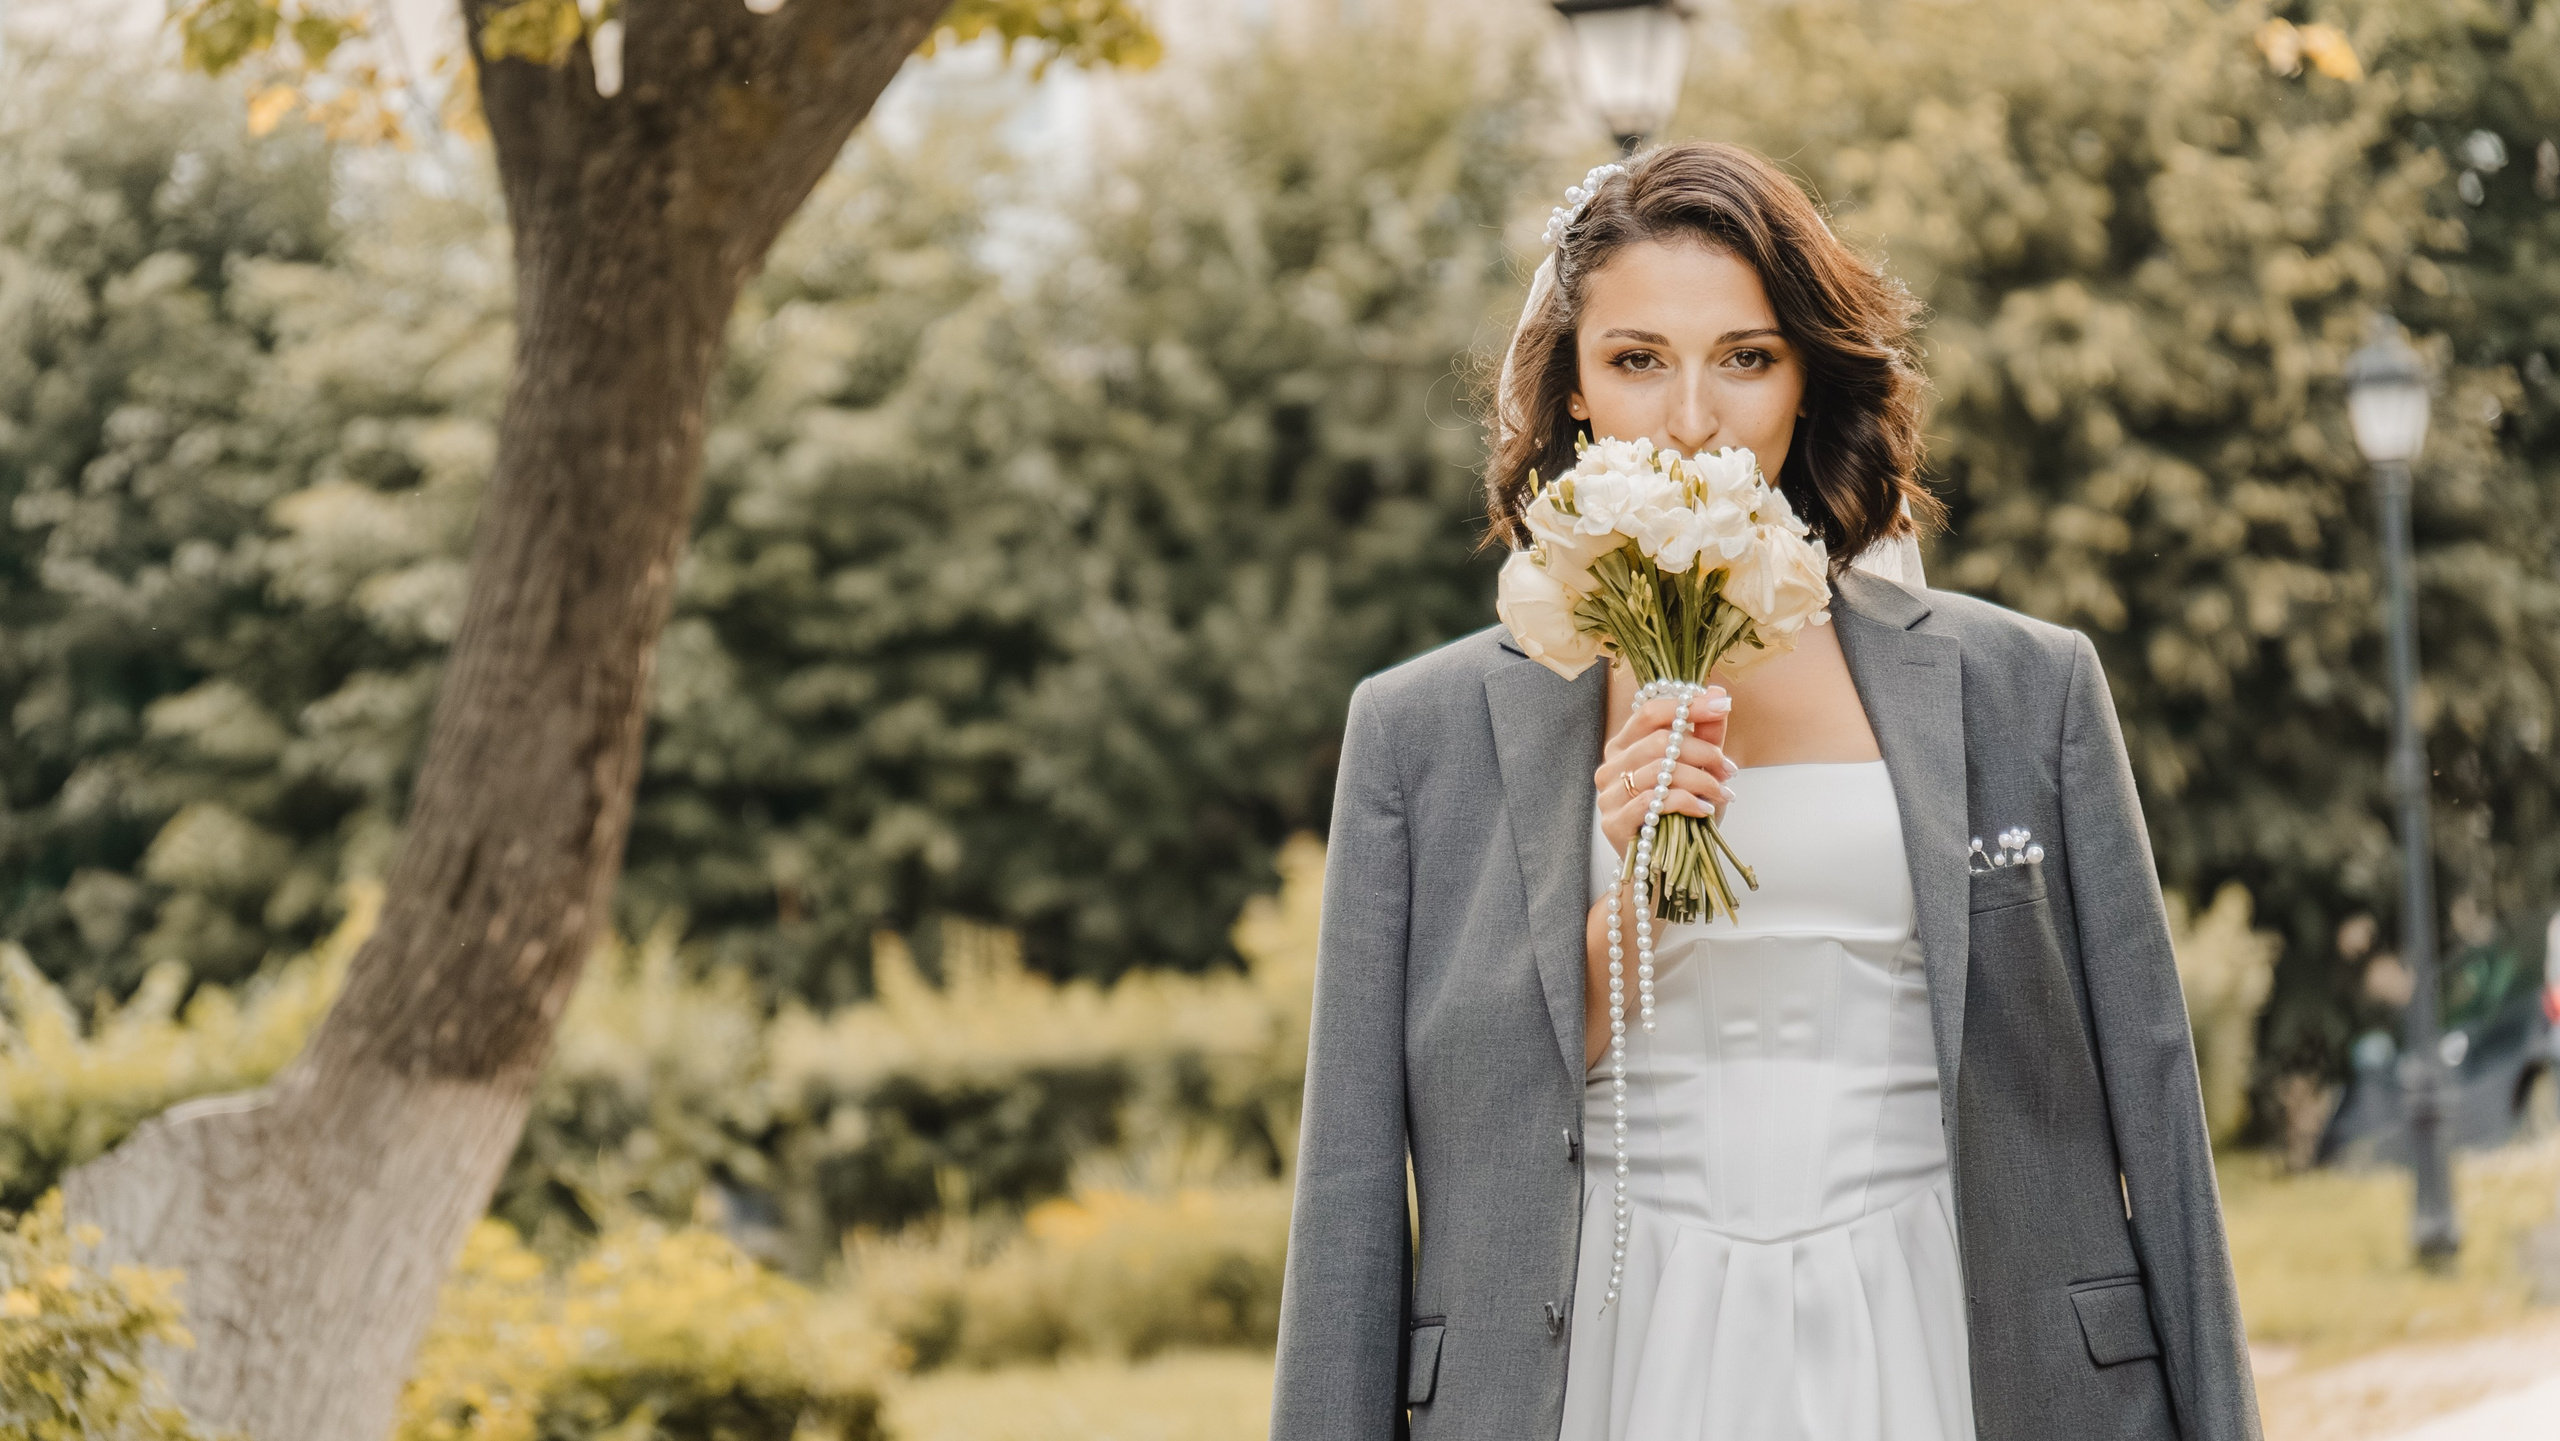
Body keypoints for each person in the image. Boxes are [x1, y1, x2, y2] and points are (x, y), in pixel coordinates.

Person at [1268, 142, 2260, 1441]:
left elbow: (2159, 1116)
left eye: (1745, 357)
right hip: (1619, 1355)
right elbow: (1362, 1167)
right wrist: (1636, 886)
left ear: (1806, 381)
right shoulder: (1418, 734)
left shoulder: (2031, 688)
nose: (1692, 418)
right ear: (1571, 389)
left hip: (1956, 1341)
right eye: (1636, 359)